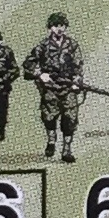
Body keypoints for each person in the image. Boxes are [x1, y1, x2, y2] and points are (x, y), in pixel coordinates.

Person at [24, 11, 88, 163]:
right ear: (50, 27)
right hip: (50, 88)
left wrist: (76, 80)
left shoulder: (72, 45)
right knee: (49, 117)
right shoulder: (43, 46)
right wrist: (40, 74)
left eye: (62, 26)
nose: (59, 29)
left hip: (68, 88)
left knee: (70, 119)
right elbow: (28, 64)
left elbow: (78, 65)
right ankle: (51, 141)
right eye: (56, 25)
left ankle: (67, 149)